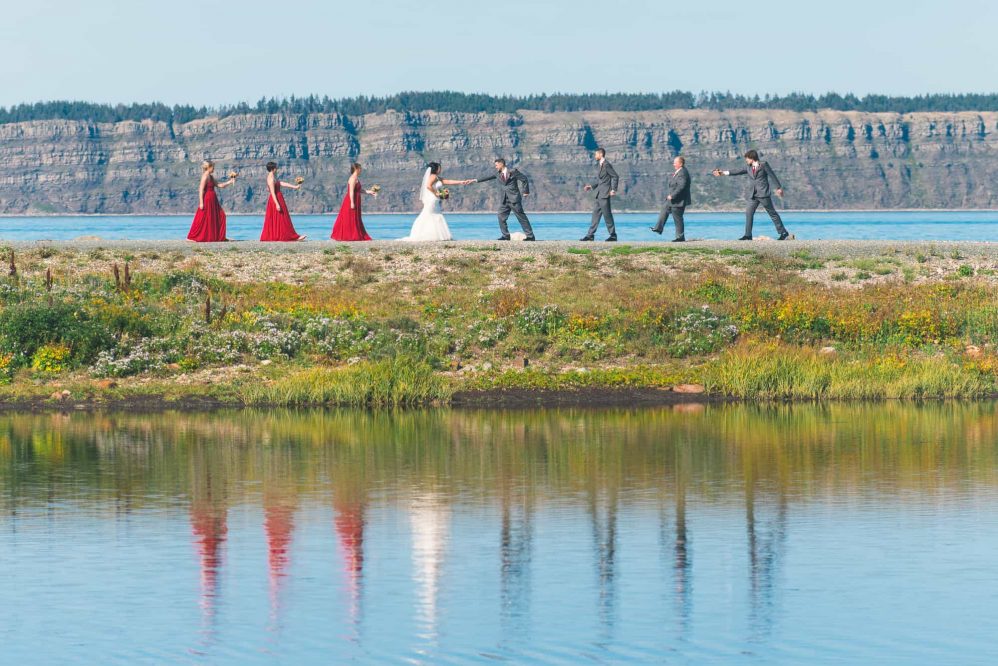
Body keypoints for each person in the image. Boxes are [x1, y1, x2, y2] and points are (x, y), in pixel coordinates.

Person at [713, 150, 791, 240]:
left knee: (772, 213)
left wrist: (778, 187)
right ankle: (748, 235)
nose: (746, 160)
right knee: (749, 213)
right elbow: (737, 171)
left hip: (763, 194)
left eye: (747, 158)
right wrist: (722, 173)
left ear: (752, 158)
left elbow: (772, 175)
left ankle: (783, 232)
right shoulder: (748, 167)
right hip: (753, 195)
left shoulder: (763, 164)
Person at [399, 162, 473, 242]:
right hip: (432, 199)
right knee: (429, 214)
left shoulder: (437, 177)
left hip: (434, 199)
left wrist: (461, 182)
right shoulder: (433, 177)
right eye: (439, 167)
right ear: (436, 169)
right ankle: (425, 235)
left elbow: (447, 181)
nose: (440, 169)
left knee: (434, 215)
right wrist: (436, 193)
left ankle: (435, 235)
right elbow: (428, 186)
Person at [470, 158, 535, 241]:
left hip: (514, 198)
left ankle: (530, 236)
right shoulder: (497, 174)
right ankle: (506, 236)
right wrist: (476, 180)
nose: (496, 167)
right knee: (501, 216)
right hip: (504, 200)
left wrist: (526, 191)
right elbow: (488, 177)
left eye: (496, 165)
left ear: (501, 164)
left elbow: (524, 179)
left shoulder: (513, 171)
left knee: (521, 217)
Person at [186, 161, 237, 242]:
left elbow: (220, 185)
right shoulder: (205, 176)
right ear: (209, 167)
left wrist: (230, 182)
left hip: (213, 199)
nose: (214, 169)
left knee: (221, 216)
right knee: (202, 217)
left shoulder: (211, 177)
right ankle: (193, 236)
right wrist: (201, 202)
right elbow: (201, 190)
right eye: (213, 167)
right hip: (207, 199)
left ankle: (220, 236)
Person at [260, 162, 307, 242]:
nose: (277, 169)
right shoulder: (270, 178)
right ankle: (290, 236)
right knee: (281, 217)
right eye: (275, 167)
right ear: (272, 168)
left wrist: (294, 187)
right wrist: (277, 204)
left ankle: (291, 235)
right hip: (275, 199)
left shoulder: (274, 177)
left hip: (279, 198)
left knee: (284, 217)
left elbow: (281, 183)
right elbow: (272, 192)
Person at [580, 148, 619, 242]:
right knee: (595, 215)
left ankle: (613, 235)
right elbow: (601, 181)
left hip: (605, 194)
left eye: (596, 154)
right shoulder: (600, 165)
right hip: (599, 194)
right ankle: (590, 235)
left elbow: (615, 176)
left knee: (607, 215)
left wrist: (613, 189)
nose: (595, 156)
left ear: (601, 154)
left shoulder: (606, 165)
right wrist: (591, 186)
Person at [331, 163, 377, 241]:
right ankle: (348, 235)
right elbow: (351, 191)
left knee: (355, 218)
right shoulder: (352, 178)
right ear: (356, 169)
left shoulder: (356, 178)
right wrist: (352, 202)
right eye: (360, 168)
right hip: (351, 200)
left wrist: (369, 192)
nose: (361, 170)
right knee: (349, 217)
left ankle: (356, 234)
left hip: (356, 199)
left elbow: (359, 190)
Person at [650, 156, 691, 242]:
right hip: (672, 200)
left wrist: (672, 195)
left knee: (678, 218)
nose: (673, 164)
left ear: (680, 164)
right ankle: (658, 228)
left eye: (675, 163)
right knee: (664, 209)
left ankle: (680, 237)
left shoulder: (683, 172)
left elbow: (681, 186)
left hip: (678, 200)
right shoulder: (679, 172)